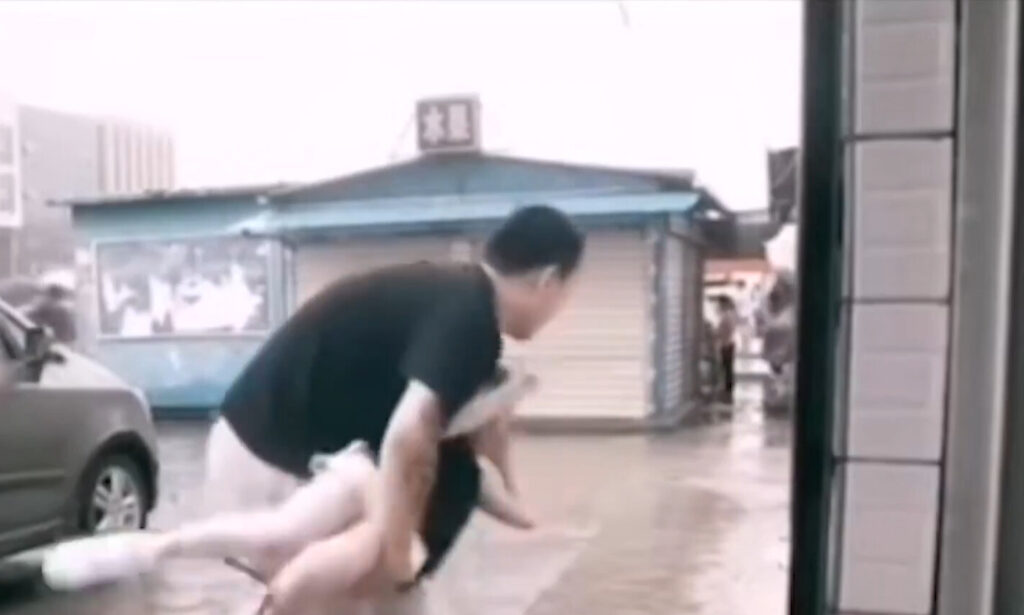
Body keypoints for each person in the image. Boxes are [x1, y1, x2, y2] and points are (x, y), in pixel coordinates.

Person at [195, 204, 584, 612]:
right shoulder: (470, 320)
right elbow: (409, 435)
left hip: (275, 445)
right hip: (269, 454)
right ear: (549, 281)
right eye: (568, 293)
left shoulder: (458, 302)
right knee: (326, 592)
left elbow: (464, 443)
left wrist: (520, 508)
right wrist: (398, 554)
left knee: (371, 583)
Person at [714, 295, 737, 404]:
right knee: (727, 367)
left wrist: (717, 333)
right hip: (728, 343)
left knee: (726, 367)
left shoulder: (727, 316)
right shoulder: (730, 314)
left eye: (720, 304)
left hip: (726, 344)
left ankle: (727, 388)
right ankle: (727, 388)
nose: (718, 306)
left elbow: (722, 330)